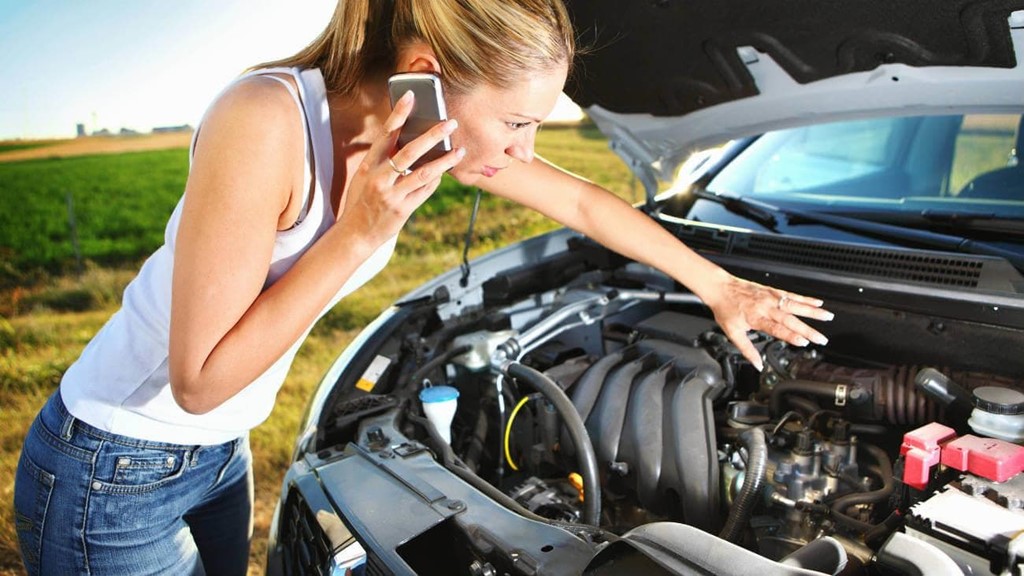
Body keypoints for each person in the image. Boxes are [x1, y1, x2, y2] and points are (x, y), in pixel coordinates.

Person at [13, 0, 833, 574]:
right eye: (518, 122)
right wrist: (357, 235)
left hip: (219, 453)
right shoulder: (263, 120)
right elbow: (197, 381)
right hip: (113, 464)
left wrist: (720, 286)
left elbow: (582, 200)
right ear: (425, 74)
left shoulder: (421, 136)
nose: (524, 150)